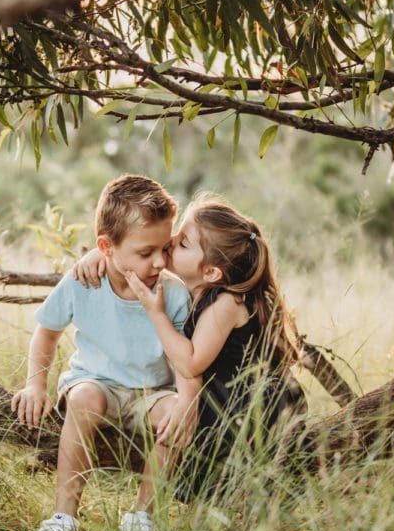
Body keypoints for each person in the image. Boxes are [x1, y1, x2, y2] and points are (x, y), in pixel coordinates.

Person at [12, 174, 198, 531]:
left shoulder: (173, 292)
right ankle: (64, 519)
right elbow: (46, 333)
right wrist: (35, 385)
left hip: (152, 391)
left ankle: (142, 519)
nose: (159, 261)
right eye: (145, 253)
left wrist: (184, 403)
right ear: (105, 247)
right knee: (84, 399)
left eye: (164, 249)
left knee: (173, 413)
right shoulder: (83, 283)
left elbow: (182, 359)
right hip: (96, 383)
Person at [74, 193, 304, 502]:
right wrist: (99, 256)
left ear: (210, 272)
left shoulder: (226, 303)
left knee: (238, 492)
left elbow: (191, 363)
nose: (170, 241)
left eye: (183, 243)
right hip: (223, 398)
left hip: (249, 407)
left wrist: (155, 313)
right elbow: (131, 246)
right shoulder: (196, 288)